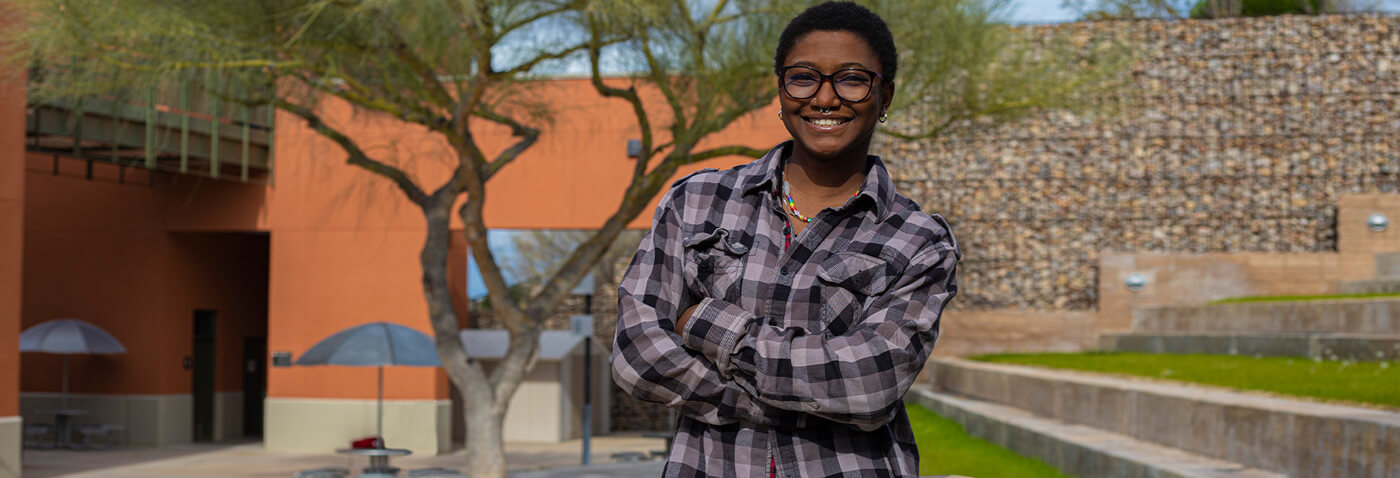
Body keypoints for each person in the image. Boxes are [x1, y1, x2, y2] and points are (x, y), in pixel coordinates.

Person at [610, 2, 959, 476]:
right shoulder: (696, 202)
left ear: (886, 95)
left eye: (852, 79)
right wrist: (766, 401)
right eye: (803, 77)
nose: (825, 98)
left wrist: (708, 323)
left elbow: (870, 382)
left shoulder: (918, 239)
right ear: (780, 89)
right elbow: (637, 353)